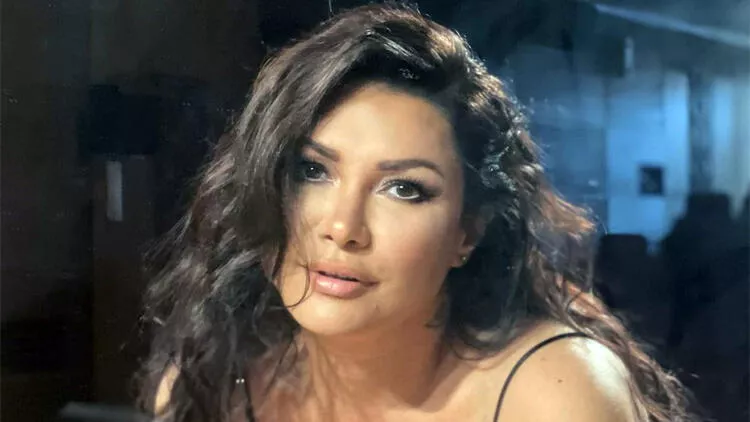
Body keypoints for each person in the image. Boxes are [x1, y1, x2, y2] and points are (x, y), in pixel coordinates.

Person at [138, 4, 695, 421]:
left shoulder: (552, 394)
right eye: (312, 171)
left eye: (404, 189)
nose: (342, 227)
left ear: (467, 233)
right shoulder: (208, 383)